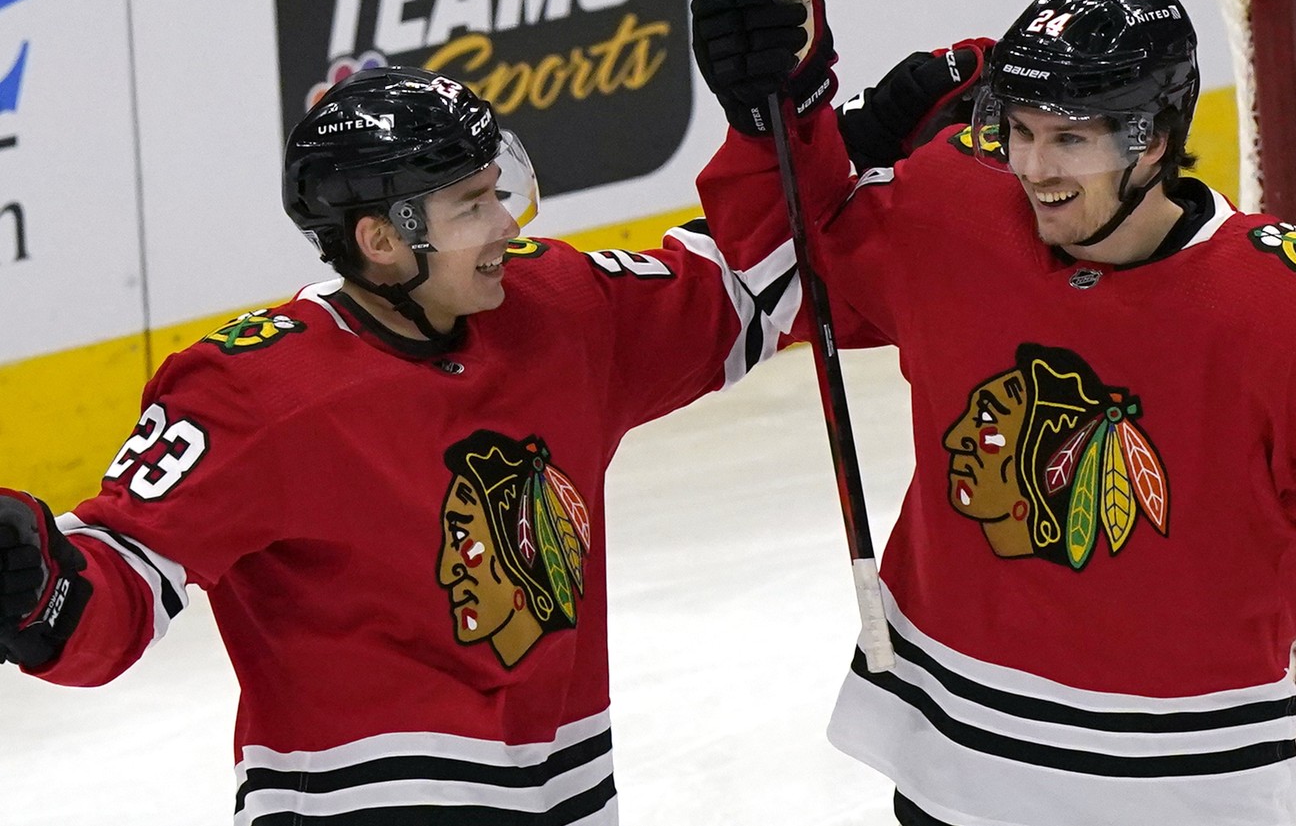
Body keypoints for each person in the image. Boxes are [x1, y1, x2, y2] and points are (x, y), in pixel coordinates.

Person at [691, 0, 1296, 824]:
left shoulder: (1290, 310)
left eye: (1069, 140)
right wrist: (778, 118)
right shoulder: (957, 210)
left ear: (1155, 140)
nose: (1032, 168)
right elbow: (790, 275)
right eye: (1019, 132)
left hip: (1185, 790)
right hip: (952, 766)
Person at [0, 65, 830, 823]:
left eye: (496, 192)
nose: (506, 222)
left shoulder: (557, 308)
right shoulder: (255, 392)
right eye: (471, 205)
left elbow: (742, 286)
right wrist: (40, 586)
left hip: (569, 793)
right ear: (381, 241)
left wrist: (789, 118)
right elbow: (116, 583)